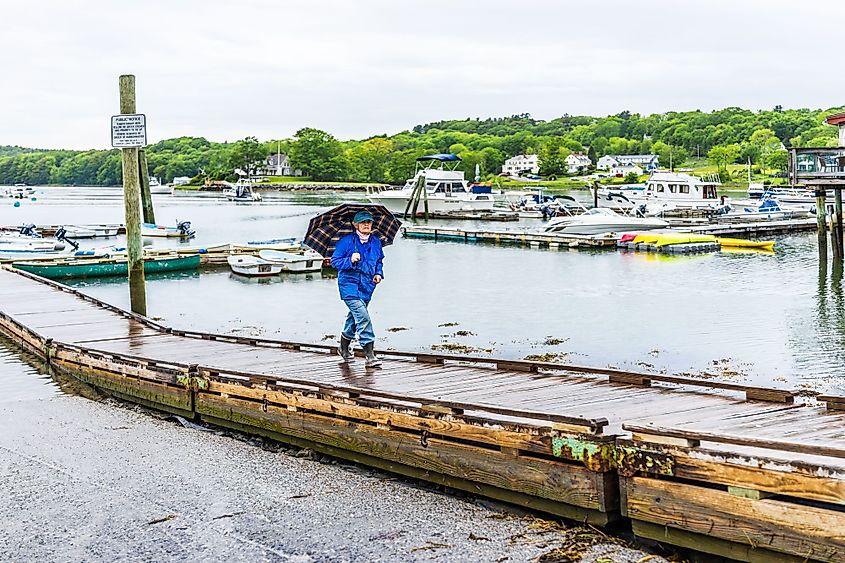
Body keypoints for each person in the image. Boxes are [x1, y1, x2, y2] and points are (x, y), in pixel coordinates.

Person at [330, 210, 385, 367]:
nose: (366, 224)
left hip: (367, 286)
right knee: (363, 317)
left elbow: (379, 260)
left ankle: (343, 348)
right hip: (349, 285)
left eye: (369, 222)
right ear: (355, 224)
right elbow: (335, 262)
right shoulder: (346, 242)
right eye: (363, 222)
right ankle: (370, 356)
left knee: (354, 318)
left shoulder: (376, 242)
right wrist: (350, 260)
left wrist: (378, 273)